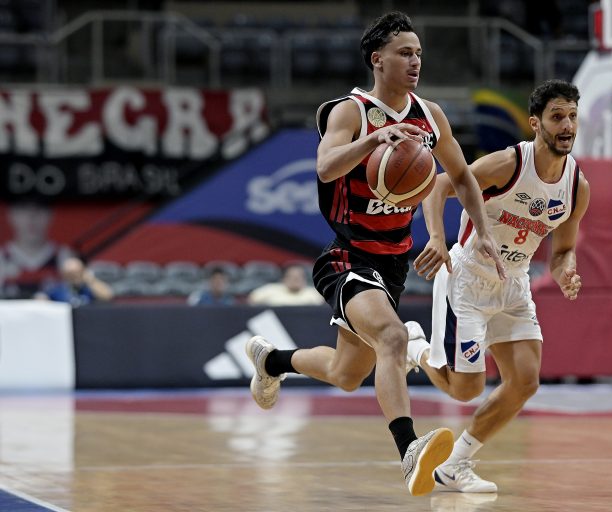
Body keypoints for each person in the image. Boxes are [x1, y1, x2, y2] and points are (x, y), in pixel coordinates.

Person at [244, 11, 505, 497]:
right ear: (377, 59)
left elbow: (462, 176)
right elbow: (325, 168)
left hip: (393, 261)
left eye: (419, 53)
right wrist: (373, 139)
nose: (415, 61)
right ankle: (409, 450)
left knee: (347, 374)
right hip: (347, 255)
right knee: (392, 335)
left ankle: (272, 361)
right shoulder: (351, 111)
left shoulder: (430, 115)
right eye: (405, 53)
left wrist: (483, 231)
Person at [407, 79, 590, 493]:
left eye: (572, 117)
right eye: (557, 117)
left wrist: (566, 271)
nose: (567, 126)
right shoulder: (508, 164)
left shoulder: (577, 186)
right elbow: (439, 186)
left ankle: (455, 465)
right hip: (468, 280)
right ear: (535, 123)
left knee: (525, 380)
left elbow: (562, 251)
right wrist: (436, 238)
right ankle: (414, 348)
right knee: (465, 389)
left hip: (514, 284)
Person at [0, 197, 73, 299]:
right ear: (10, 214)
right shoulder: (2, 256)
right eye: (23, 208)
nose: (31, 217)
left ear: (50, 214)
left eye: (39, 208)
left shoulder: (65, 256)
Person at [35, 256, 114, 306]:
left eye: (77, 272)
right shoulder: (58, 289)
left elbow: (108, 296)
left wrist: (90, 280)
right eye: (70, 274)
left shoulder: (90, 287)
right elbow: (42, 299)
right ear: (64, 275)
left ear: (83, 271)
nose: (74, 277)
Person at [247, 263, 324, 306]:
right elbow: (251, 300)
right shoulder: (270, 289)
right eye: (292, 277)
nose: (296, 280)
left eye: (299, 277)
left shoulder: (314, 294)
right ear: (284, 279)